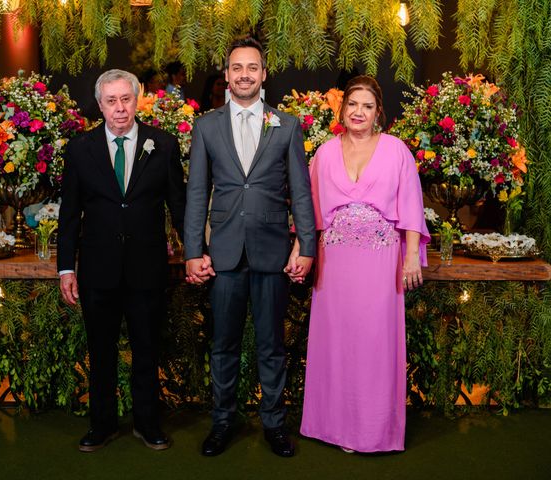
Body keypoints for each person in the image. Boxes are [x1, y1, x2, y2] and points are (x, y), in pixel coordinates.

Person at [184, 37, 316, 458]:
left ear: (263, 74)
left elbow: (301, 192)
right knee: (222, 343)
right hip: (222, 254)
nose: (244, 74)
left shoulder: (288, 124)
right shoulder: (206, 126)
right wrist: (192, 250)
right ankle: (222, 422)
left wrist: (306, 245)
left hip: (273, 252)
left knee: (271, 345)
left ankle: (275, 425)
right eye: (237, 67)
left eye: (252, 67)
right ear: (227, 74)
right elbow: (196, 193)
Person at [297, 75, 430, 453]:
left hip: (380, 263)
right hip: (335, 263)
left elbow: (410, 207)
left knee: (375, 345)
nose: (359, 112)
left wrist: (409, 259)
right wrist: (301, 250)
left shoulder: (396, 151)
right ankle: (333, 426)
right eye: (353, 104)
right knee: (337, 343)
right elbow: (309, 212)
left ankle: (373, 431)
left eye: (367, 106)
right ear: (343, 109)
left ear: (378, 113)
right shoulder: (323, 153)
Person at [57, 69, 186, 453]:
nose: (119, 108)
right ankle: (102, 425)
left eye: (126, 99)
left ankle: (147, 424)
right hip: (98, 270)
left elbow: (178, 207)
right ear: (100, 105)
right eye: (111, 101)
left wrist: (196, 251)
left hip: (147, 269)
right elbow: (69, 215)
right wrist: (66, 267)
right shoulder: (80, 149)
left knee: (147, 349)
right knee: (101, 351)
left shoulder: (162, 145)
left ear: (137, 99)